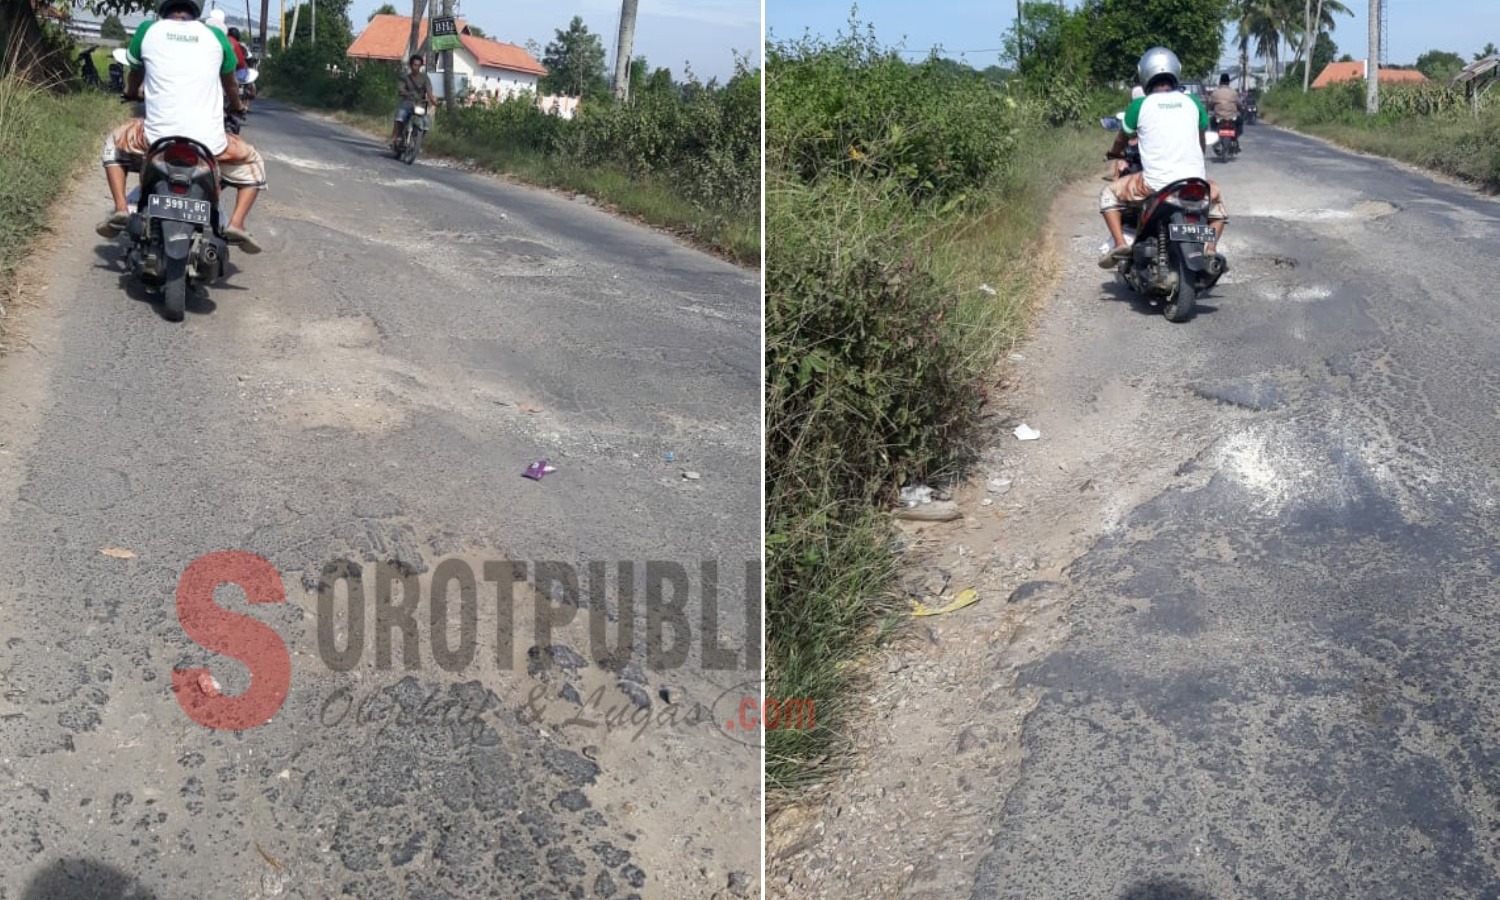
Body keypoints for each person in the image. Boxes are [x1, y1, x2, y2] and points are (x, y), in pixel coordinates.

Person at [96, 0, 265, 253]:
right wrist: (236, 106)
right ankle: (237, 224)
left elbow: (136, 75)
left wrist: (132, 93)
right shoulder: (217, 37)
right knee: (253, 163)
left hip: (155, 140)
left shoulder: (147, 30)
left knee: (114, 143)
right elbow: (231, 85)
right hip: (209, 144)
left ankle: (121, 209)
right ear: (197, 7)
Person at [1097, 47, 1228, 269]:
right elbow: (1200, 140)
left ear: (1145, 76)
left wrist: (1115, 153)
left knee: (1108, 194)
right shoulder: (1194, 102)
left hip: (1154, 184)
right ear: (1175, 73)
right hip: (1194, 182)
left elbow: (1122, 137)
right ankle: (1211, 249)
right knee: (1217, 209)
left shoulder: (1139, 105)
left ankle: (1120, 244)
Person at [391, 54, 437, 148]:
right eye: (415, 65)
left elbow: (429, 91)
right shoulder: (405, 78)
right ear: (411, 65)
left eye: (419, 65)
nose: (416, 67)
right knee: (400, 117)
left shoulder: (425, 78)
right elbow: (401, 89)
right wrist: (405, 93)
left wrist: (433, 101)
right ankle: (397, 137)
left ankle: (417, 143)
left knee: (426, 124)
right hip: (407, 102)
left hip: (419, 105)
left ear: (421, 66)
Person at [1106, 85, 1146, 178]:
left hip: (1141, 159)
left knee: (1109, 191)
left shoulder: (1133, 111)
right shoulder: (1157, 109)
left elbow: (1121, 139)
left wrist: (1114, 153)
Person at [1209, 72, 1242, 139]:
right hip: (1232, 118)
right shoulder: (1234, 92)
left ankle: (1216, 137)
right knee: (1240, 122)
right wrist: (1240, 109)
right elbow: (1239, 104)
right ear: (1228, 82)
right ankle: (1235, 139)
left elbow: (1210, 105)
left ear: (1220, 82)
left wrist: (1211, 108)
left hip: (1218, 118)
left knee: (1211, 121)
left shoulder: (1215, 92)